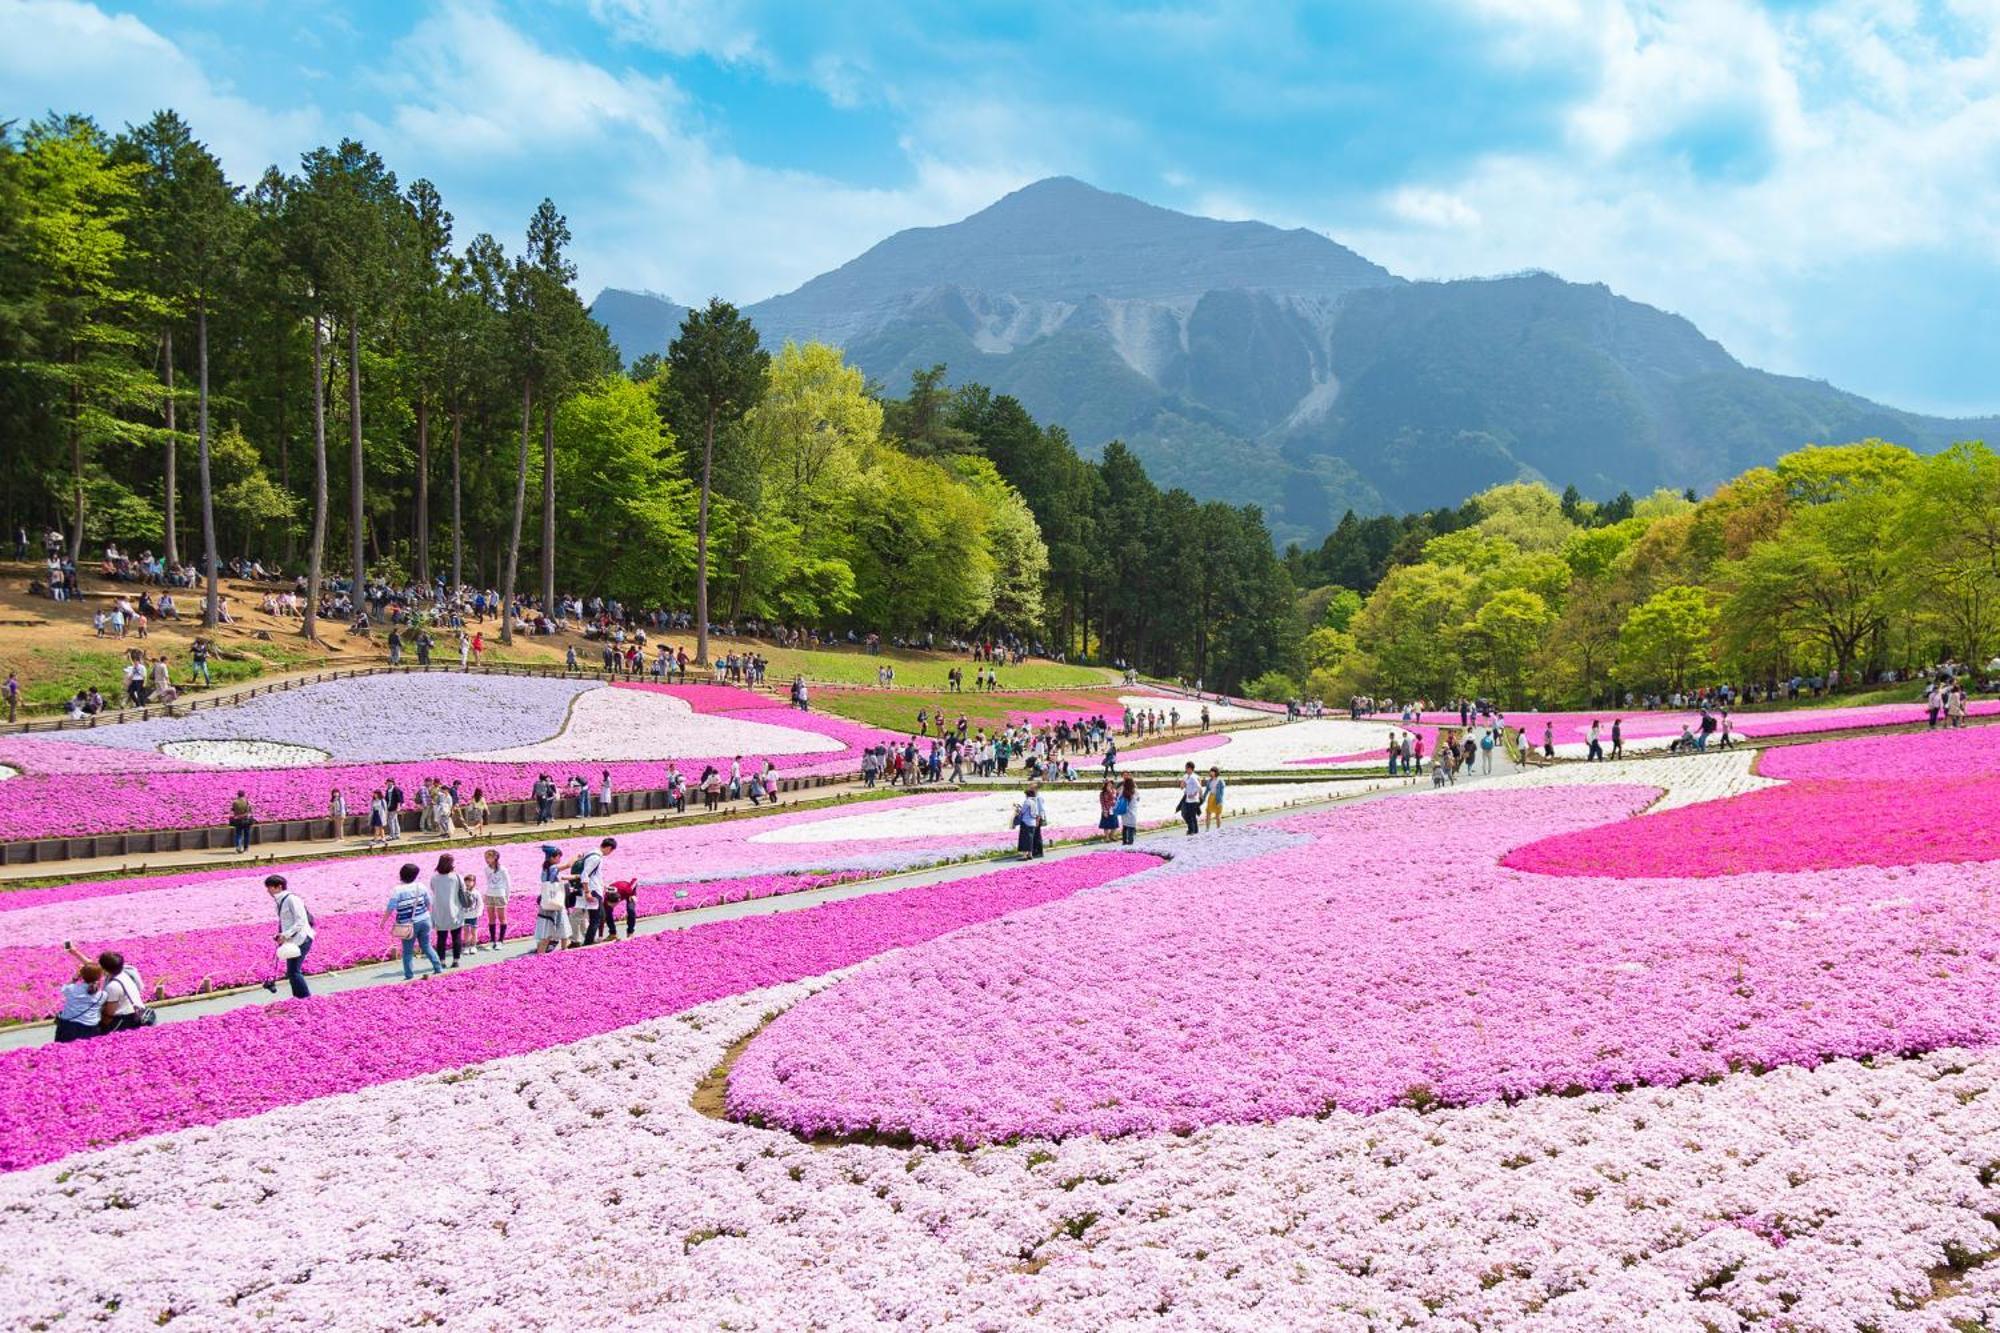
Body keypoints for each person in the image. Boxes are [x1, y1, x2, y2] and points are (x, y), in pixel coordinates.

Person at [66, 943, 146, 1032]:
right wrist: (75, 952)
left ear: (104, 969)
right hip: (134, 1013)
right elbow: (92, 965)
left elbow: (109, 1013)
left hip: (124, 1020)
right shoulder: (124, 971)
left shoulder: (113, 986)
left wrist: (100, 1028)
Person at [384, 863, 443, 980]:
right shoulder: (420, 886)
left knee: (407, 951)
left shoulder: (397, 890)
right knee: (426, 946)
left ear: (401, 874)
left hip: (407, 924)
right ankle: (438, 967)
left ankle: (409, 975)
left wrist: (383, 921)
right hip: (425, 920)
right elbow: (428, 903)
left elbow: (391, 907)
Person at [264, 874, 315, 998]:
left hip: (302, 938)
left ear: (279, 887)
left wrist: (285, 935)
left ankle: (305, 999)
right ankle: (299, 998)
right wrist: (280, 935)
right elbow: (286, 923)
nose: (268, 891)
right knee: (292, 971)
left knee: (293, 971)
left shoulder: (292, 899)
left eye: (270, 887)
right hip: (292, 940)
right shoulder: (279, 901)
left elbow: (301, 921)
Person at [430, 853, 468, 967]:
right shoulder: (456, 877)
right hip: (454, 910)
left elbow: (433, 889)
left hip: (439, 911)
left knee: (441, 938)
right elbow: (463, 890)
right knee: (456, 936)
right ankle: (456, 960)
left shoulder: (435, 877)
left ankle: (442, 961)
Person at [54, 961, 106, 1042]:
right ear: (99, 977)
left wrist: (75, 978)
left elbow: (63, 989)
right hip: (90, 1028)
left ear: (82, 976)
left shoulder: (72, 989)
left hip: (68, 1027)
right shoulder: (102, 995)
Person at [580, 837, 618, 944]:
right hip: (593, 891)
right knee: (596, 917)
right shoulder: (596, 857)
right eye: (611, 851)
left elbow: (595, 874)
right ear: (609, 848)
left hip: (595, 888)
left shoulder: (592, 852)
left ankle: (590, 940)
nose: (610, 853)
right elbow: (585, 874)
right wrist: (587, 892)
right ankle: (588, 942)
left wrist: (603, 885)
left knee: (599, 916)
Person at [535, 845, 568, 953]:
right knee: (554, 928)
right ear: (552, 858)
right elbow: (568, 865)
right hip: (554, 902)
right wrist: (577, 857)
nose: (560, 859)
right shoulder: (553, 867)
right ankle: (561, 950)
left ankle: (542, 952)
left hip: (547, 900)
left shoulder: (545, 868)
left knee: (549, 928)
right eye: (559, 857)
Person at [480, 847, 510, 950]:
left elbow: (508, 883)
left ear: (495, 857)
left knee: (502, 918)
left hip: (500, 894)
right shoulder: (486, 869)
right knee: (491, 918)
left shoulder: (503, 869)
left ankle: (501, 940)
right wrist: (485, 894)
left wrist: (507, 896)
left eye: (489, 857)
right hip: (490, 894)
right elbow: (488, 882)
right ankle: (492, 940)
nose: (486, 859)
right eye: (485, 857)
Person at [1014, 784, 1046, 860]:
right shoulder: (1034, 801)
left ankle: (1032, 853)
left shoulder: (1032, 800)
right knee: (1032, 837)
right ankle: (1031, 853)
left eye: (1031, 788)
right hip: (1033, 820)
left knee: (1027, 838)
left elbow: (1023, 811)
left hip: (1028, 821)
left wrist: (1018, 809)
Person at [1178, 762, 1203, 835]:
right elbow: (1182, 787)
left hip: (1194, 799)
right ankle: (1194, 830)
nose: (1185, 769)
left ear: (1190, 768)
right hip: (1187, 798)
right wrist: (1183, 784)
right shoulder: (1186, 776)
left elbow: (1199, 787)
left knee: (1191, 815)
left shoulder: (1194, 777)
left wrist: (1195, 794)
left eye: (1186, 768)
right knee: (1186, 814)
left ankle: (1192, 831)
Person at [1116, 775, 1140, 846]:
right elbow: (1138, 799)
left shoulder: (1123, 791)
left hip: (1125, 812)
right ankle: (1130, 843)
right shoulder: (1135, 791)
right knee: (1131, 828)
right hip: (1132, 812)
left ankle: (1124, 842)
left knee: (1125, 827)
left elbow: (1118, 798)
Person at [1097, 777, 1119, 842]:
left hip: (1113, 809)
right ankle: (1106, 837)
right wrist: (1104, 811)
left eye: (1111, 784)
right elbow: (1102, 802)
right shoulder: (1102, 793)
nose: (1110, 785)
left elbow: (1115, 799)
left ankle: (1112, 835)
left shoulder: (1114, 791)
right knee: (1106, 825)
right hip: (1106, 810)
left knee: (1114, 824)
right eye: (1108, 784)